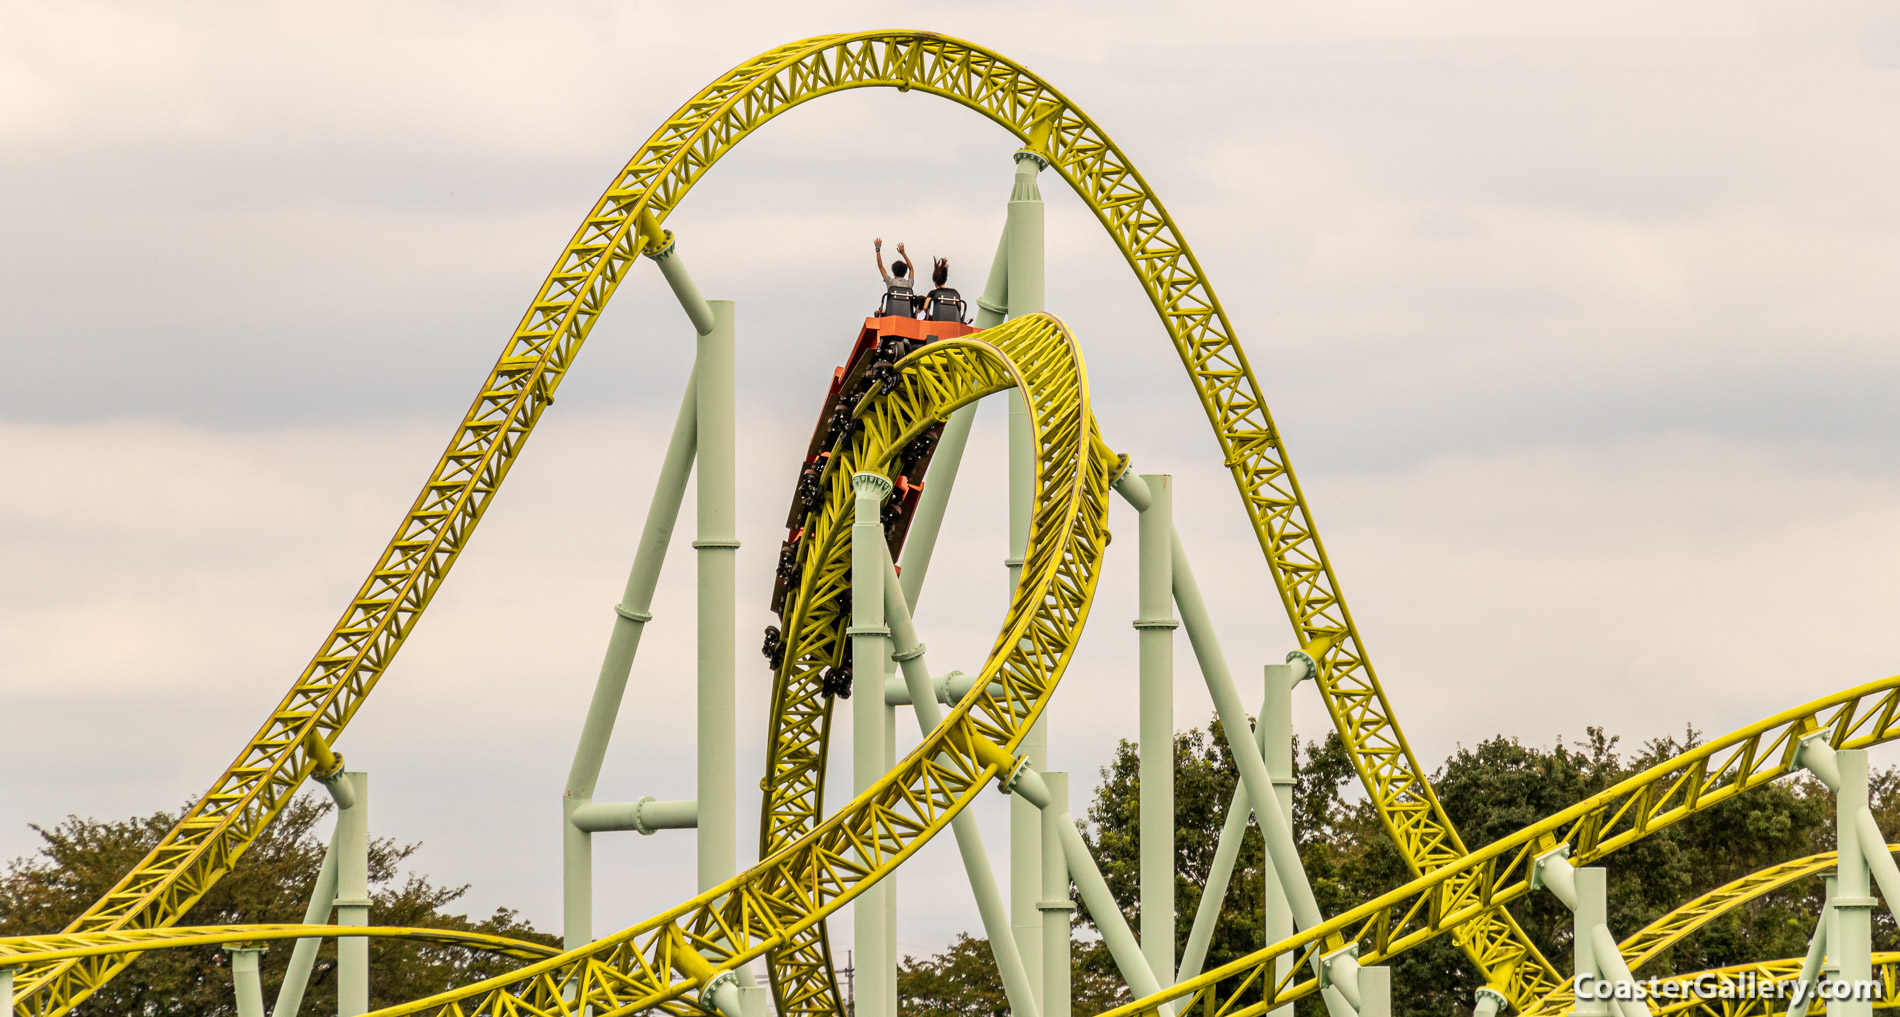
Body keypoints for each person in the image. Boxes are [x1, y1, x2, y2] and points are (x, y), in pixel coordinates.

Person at [874, 238, 919, 317]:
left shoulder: (890, 282)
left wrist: (878, 249)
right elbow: (911, 268)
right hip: (907, 316)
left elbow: (880, 266)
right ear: (905, 272)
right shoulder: (909, 284)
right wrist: (903, 253)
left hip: (890, 315)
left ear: (893, 271)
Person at [921, 257, 967, 323]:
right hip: (953, 323)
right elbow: (960, 308)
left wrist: (931, 316)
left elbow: (925, 307)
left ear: (934, 281)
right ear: (945, 279)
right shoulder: (955, 293)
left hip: (937, 321)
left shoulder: (932, 293)